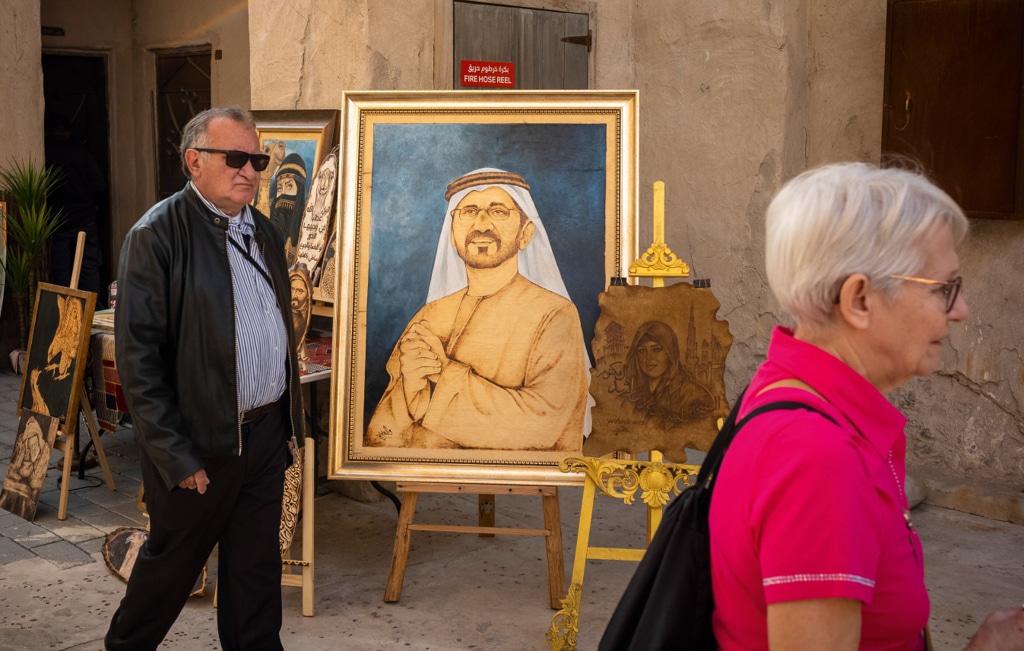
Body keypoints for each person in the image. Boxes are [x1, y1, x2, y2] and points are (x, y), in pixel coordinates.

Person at [708, 162, 1024, 650]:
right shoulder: (817, 457)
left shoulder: (797, 397)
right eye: (944, 289)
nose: (960, 311)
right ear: (859, 300)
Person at [104, 107, 303, 651]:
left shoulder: (263, 230)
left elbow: (278, 329)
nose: (250, 171)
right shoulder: (156, 235)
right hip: (199, 445)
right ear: (194, 161)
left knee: (255, 575)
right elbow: (139, 361)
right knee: (170, 571)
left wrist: (287, 427)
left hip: (264, 437)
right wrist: (175, 453)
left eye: (257, 160)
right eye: (235, 157)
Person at [366, 168, 589, 451]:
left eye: (498, 212)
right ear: (452, 234)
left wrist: (442, 375)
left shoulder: (554, 315)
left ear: (525, 233)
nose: (481, 225)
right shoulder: (429, 316)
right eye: (469, 211)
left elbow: (543, 425)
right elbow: (379, 437)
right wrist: (410, 394)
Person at [44, 111, 106, 296]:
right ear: (68, 132)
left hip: (57, 220)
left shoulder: (45, 154)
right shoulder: (81, 153)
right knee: (89, 266)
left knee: (60, 268)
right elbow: (100, 185)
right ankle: (92, 306)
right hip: (84, 218)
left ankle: (63, 305)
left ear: (48, 131)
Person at [620, 320, 714, 428]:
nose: (649, 358)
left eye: (657, 349)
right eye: (642, 351)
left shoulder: (696, 397)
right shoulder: (630, 399)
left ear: (670, 353)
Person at [269, 152, 307, 259]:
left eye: (289, 186)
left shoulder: (308, 225)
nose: (282, 194)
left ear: (299, 190)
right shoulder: (265, 223)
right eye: (279, 188)